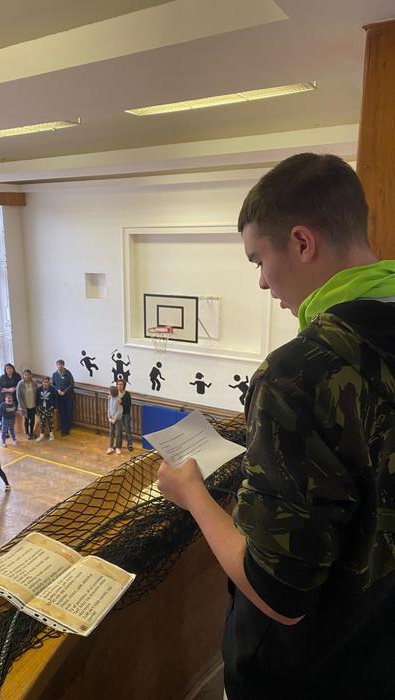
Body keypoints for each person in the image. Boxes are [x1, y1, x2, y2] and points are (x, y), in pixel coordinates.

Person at [157, 153, 395, 700]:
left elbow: (279, 594)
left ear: (302, 242)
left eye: (259, 260)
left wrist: (193, 495)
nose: (263, 282)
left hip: (311, 671)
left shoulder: (298, 373)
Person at [52, 360, 75, 436]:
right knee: (62, 413)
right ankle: (63, 430)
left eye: (61, 365)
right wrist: (58, 390)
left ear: (63, 365)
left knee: (68, 412)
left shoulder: (68, 373)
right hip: (59, 397)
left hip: (68, 396)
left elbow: (71, 385)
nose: (60, 366)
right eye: (58, 365)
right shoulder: (54, 374)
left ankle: (68, 428)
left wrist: (65, 391)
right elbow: (53, 385)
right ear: (56, 365)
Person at [16, 369, 38, 439]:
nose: (27, 376)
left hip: (33, 404)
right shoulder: (20, 384)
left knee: (32, 419)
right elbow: (18, 396)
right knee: (26, 419)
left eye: (28, 374)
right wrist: (22, 407)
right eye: (25, 375)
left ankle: (31, 432)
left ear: (30, 375)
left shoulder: (34, 383)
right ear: (23, 376)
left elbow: (37, 393)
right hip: (24, 405)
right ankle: (27, 433)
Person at [36, 376, 57, 442]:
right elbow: (37, 399)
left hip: (50, 408)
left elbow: (56, 399)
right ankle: (41, 435)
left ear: (49, 382)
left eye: (47, 382)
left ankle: (51, 435)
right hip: (41, 408)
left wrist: (55, 408)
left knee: (50, 421)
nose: (45, 383)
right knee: (42, 422)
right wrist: (37, 407)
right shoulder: (39, 389)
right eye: (44, 382)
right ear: (42, 382)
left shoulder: (53, 389)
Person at [116, 379, 133, 452]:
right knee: (118, 430)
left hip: (126, 414)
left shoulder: (127, 394)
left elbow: (128, 405)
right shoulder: (115, 393)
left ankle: (130, 444)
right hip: (118, 414)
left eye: (121, 384)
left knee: (127, 430)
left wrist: (121, 402)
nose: (119, 386)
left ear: (124, 385)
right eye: (118, 384)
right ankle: (118, 444)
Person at [106, 385, 123, 456]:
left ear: (112, 392)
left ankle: (117, 447)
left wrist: (115, 419)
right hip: (111, 418)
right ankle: (110, 447)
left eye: (109, 391)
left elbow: (120, 410)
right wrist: (109, 417)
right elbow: (109, 408)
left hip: (118, 419)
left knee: (118, 433)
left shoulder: (119, 399)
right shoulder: (110, 398)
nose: (108, 392)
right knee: (111, 432)